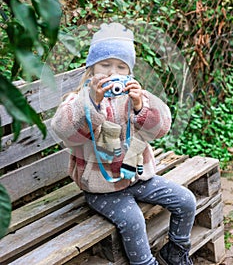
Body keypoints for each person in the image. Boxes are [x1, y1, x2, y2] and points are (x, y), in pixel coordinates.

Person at [51, 23, 196, 265]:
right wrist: (92, 105)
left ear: (129, 71)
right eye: (105, 65)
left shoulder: (133, 96)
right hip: (101, 189)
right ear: (91, 68)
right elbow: (63, 131)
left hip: (138, 178)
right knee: (133, 220)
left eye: (120, 66)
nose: (112, 72)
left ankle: (176, 250)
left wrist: (141, 105)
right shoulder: (78, 100)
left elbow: (162, 128)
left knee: (186, 200)